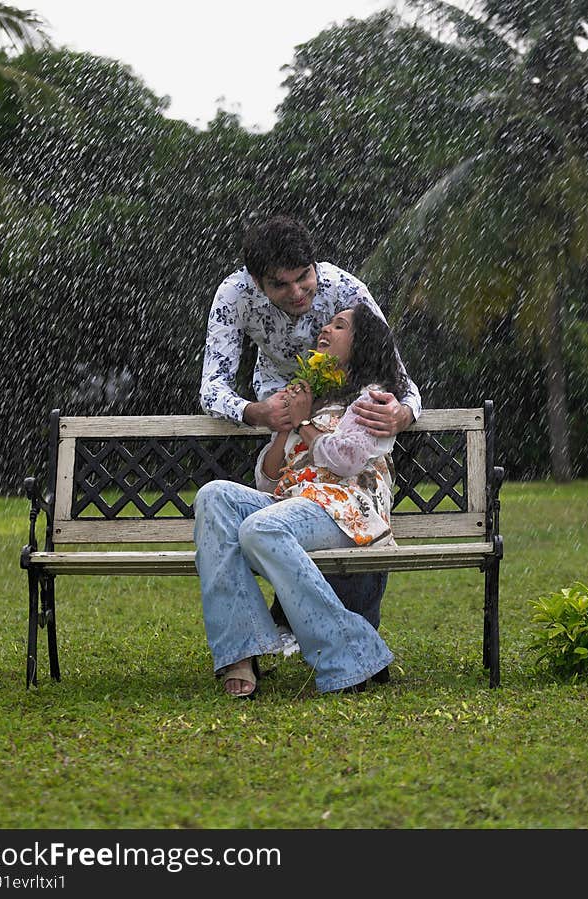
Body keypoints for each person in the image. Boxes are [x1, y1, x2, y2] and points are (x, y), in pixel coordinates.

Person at [199, 214, 421, 638]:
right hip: (279, 393)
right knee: (288, 489)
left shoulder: (347, 290)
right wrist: (257, 412)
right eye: (280, 285)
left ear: (315, 265)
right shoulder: (234, 295)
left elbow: (398, 376)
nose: (297, 292)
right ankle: (278, 630)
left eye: (304, 278)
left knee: (328, 495)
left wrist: (403, 413)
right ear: (256, 282)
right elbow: (211, 387)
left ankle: (337, 624)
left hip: (347, 399)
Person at [194, 305, 406, 697]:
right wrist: (285, 424)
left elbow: (346, 461)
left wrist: (305, 423)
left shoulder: (372, 400)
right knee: (215, 497)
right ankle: (241, 649)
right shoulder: (313, 398)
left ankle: (349, 652)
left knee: (261, 527)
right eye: (328, 323)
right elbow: (269, 478)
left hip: (346, 510)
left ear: (361, 346)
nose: (325, 328)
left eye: (339, 326)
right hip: (296, 504)